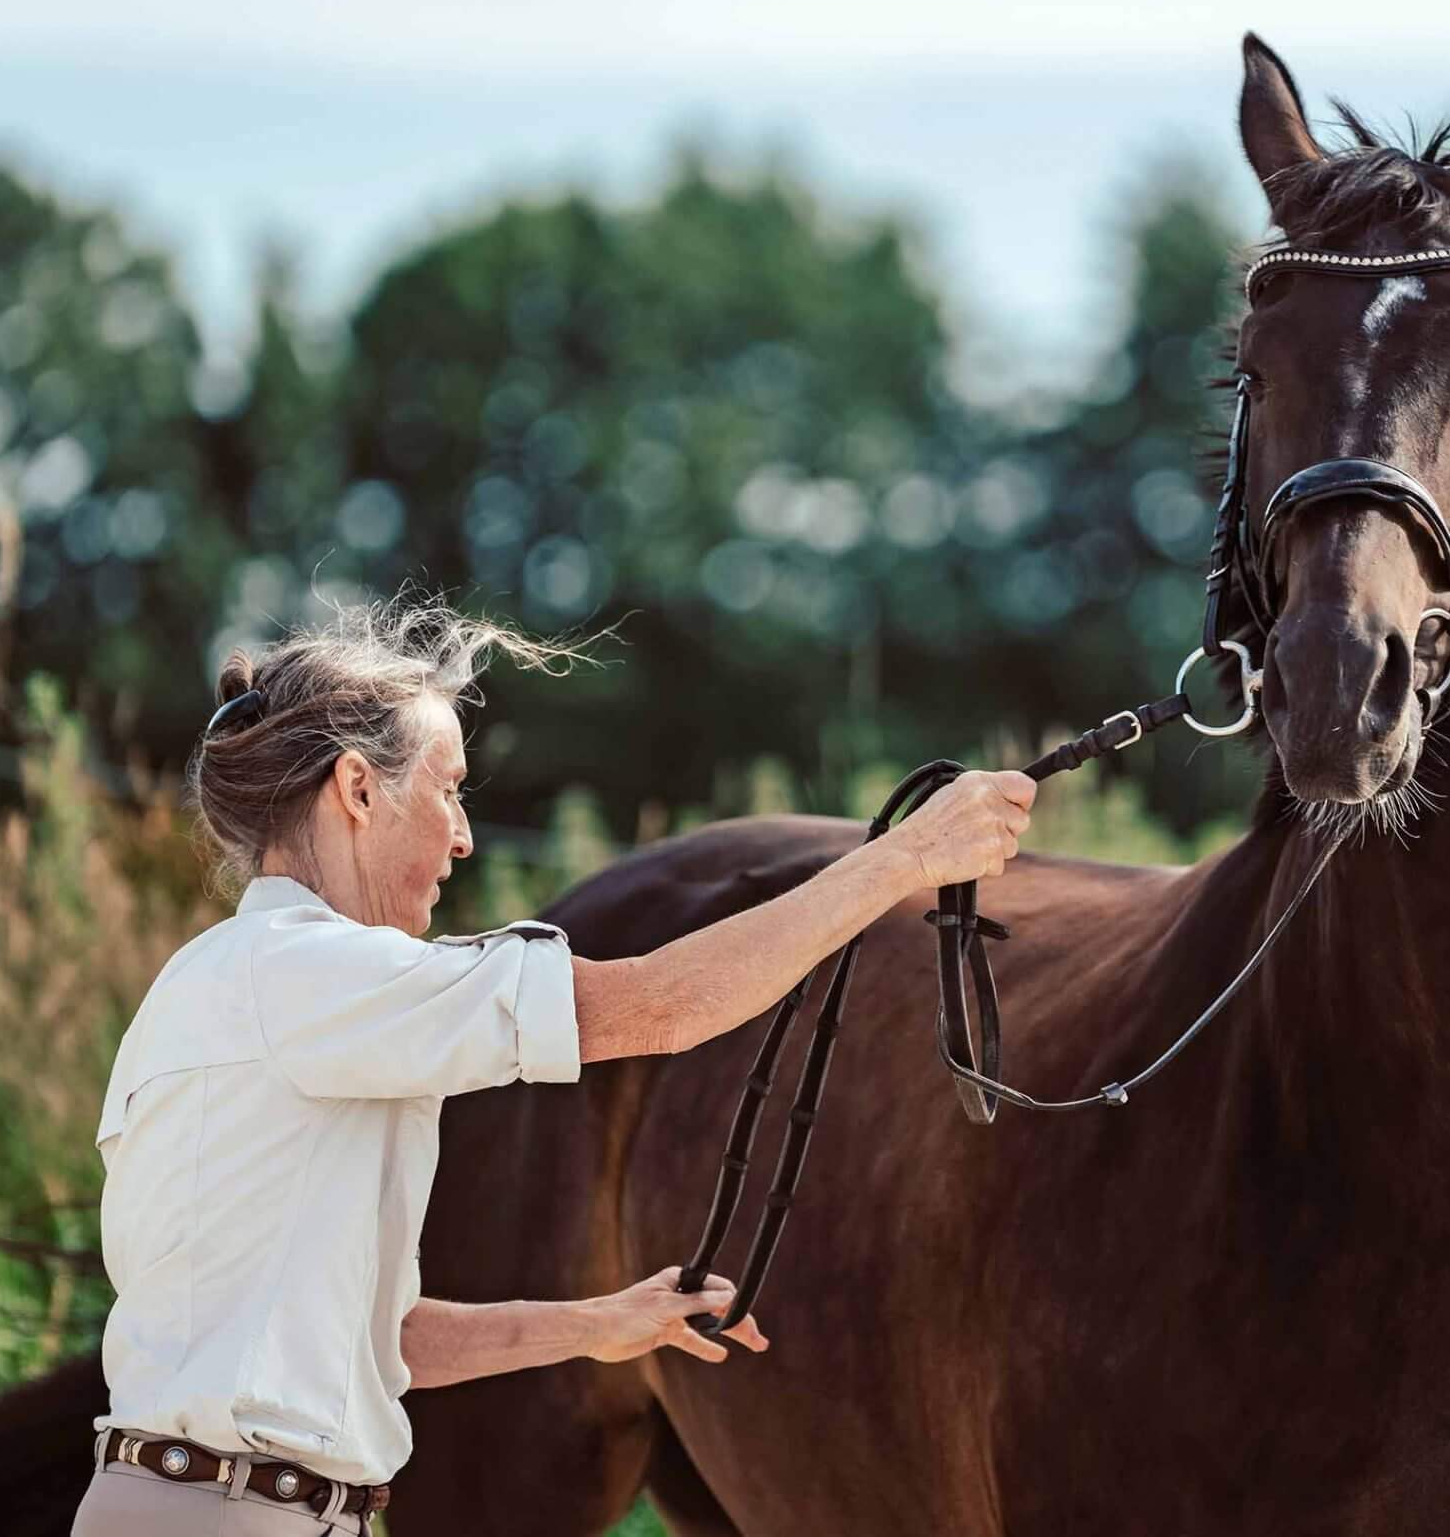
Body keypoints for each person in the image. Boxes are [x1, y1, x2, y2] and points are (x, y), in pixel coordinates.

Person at [70, 595, 1036, 1533]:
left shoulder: (198, 988)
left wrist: (603, 1323)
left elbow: (383, 1340)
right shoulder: (321, 976)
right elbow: (660, 1006)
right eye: (446, 788)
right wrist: (909, 859)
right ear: (358, 789)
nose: (463, 834)